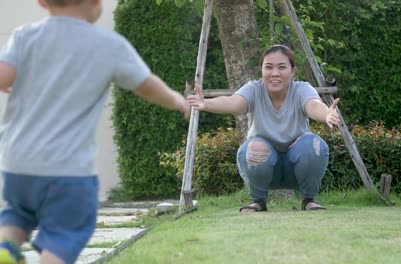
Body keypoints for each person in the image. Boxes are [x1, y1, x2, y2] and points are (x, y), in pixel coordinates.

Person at [0, 0, 190, 263]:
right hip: (67, 169)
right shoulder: (108, 45)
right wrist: (176, 100)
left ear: (42, 2)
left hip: (17, 164)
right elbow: (146, 85)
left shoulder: (24, 36)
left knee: (18, 213)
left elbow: (3, 75)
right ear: (96, 2)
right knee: (66, 231)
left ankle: (6, 247)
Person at [186, 44, 340, 213]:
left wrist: (326, 114)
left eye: (282, 67)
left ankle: (308, 199)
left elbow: (313, 105)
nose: (275, 73)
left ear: (293, 71)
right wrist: (205, 103)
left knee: (314, 144)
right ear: (261, 69)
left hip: (295, 167)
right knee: (254, 147)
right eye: (268, 67)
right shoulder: (254, 89)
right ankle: (258, 201)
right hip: (263, 166)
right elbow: (234, 102)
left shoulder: (302, 89)